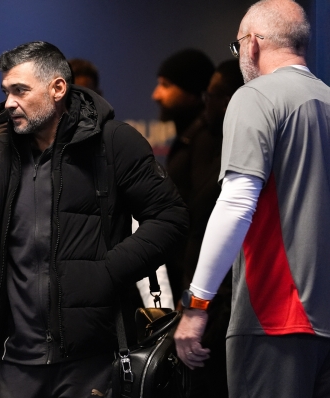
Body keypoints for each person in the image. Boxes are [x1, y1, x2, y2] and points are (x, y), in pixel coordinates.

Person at [0, 41, 188, 397]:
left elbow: (170, 219)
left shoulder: (114, 143)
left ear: (57, 88)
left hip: (94, 362)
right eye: (6, 92)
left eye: (21, 91)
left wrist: (108, 271)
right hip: (14, 363)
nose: (9, 102)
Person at [174, 1, 330, 397]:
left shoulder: (255, 97)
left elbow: (237, 203)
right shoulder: (327, 100)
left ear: (253, 44)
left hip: (275, 317)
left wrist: (197, 306)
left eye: (237, 45)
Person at [178, 59, 244, 398]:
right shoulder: (202, 139)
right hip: (203, 300)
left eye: (217, 94)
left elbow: (228, 217)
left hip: (226, 308)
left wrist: (197, 307)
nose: (210, 102)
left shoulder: (243, 155)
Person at [151, 48, 215, 302]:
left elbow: (201, 221)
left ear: (192, 91)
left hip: (196, 286)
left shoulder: (206, 141)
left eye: (166, 85)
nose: (156, 95)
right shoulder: (189, 138)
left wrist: (193, 293)